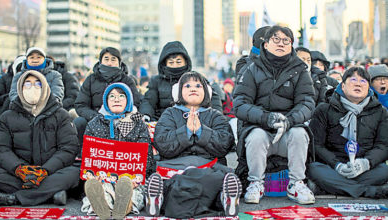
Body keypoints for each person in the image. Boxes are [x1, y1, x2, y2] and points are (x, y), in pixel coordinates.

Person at [233, 25, 316, 205]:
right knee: (255, 136)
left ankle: (296, 184)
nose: (281, 44)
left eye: (286, 40)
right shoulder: (252, 68)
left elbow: (307, 102)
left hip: (289, 130)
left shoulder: (300, 70)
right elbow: (239, 103)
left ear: (291, 45)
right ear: (266, 44)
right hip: (260, 128)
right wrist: (266, 118)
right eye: (276, 39)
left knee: (300, 134)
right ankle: (256, 183)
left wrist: (290, 120)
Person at [146, 71, 240, 217]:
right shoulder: (170, 114)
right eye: (187, 86)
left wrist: (202, 132)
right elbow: (162, 143)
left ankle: (224, 198)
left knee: (218, 177)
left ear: (206, 92)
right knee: (171, 181)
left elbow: (225, 144)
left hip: (208, 166)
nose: (193, 88)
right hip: (176, 167)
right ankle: (159, 198)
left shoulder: (215, 115)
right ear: (179, 92)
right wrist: (187, 131)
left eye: (198, 85)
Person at [0, 70, 79, 206]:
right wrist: (19, 169)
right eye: (27, 85)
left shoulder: (61, 115)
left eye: (37, 84)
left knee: (75, 173)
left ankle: (14, 198)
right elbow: (1, 148)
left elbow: (68, 148)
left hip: (51, 173)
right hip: (18, 175)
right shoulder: (7, 117)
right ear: (20, 89)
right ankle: (51, 194)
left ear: (45, 87)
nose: (33, 88)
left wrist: (45, 170)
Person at [308, 67, 388, 198]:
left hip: (365, 168)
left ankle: (331, 187)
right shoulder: (324, 109)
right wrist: (337, 165)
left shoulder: (381, 112)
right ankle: (369, 191)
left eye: (363, 81)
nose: (358, 84)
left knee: (384, 170)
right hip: (333, 167)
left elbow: (383, 146)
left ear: (368, 88)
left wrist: (365, 163)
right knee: (314, 169)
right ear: (343, 86)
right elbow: (316, 145)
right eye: (353, 79)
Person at [81, 82, 153, 219]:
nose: (116, 99)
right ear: (106, 101)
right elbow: (87, 154)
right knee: (101, 189)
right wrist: (92, 173)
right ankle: (104, 208)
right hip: (104, 177)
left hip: (131, 179)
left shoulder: (138, 124)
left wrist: (136, 177)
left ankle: (123, 207)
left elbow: (146, 156)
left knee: (132, 190)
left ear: (129, 100)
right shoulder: (94, 124)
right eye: (112, 96)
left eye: (121, 96)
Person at [74, 47, 141, 151]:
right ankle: (82, 153)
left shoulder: (127, 80)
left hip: (121, 118)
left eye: (113, 59)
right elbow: (81, 104)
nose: (109, 63)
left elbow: (136, 102)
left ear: (119, 62)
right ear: (100, 61)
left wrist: (121, 116)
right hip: (95, 117)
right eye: (106, 59)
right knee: (79, 122)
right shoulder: (91, 79)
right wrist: (96, 117)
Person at [139, 41, 222, 121]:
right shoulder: (156, 81)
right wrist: (146, 115)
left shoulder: (196, 78)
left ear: (186, 62)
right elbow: (149, 100)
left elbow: (212, 97)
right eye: (171, 62)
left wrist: (217, 117)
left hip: (194, 120)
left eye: (179, 62)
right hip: (163, 121)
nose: (175, 65)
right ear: (165, 64)